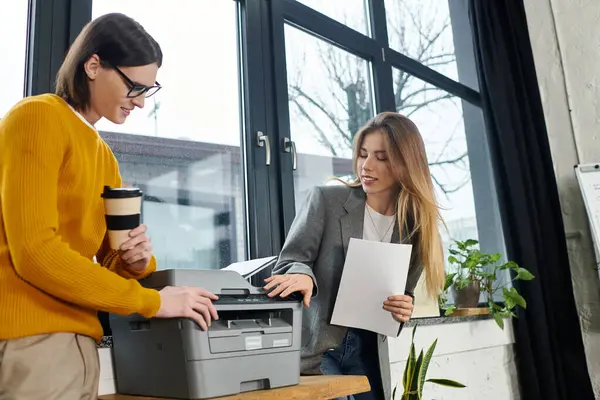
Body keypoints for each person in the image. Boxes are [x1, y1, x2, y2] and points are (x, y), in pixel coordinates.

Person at [0, 13, 218, 400]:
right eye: (134, 86)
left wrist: (135, 262)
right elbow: (35, 252)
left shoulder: (104, 156)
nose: (139, 102)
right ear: (93, 64)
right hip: (32, 339)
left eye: (148, 90)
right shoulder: (37, 117)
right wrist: (152, 302)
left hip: (81, 341)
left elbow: (110, 260)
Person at [264, 112, 446, 400]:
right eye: (363, 155)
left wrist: (403, 307)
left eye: (381, 157)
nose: (366, 166)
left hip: (368, 350)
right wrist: (302, 274)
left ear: (406, 164)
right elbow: (290, 261)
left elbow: (404, 294)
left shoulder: (416, 229)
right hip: (319, 347)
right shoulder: (326, 200)